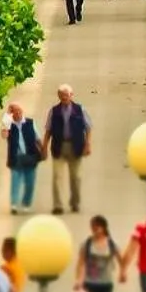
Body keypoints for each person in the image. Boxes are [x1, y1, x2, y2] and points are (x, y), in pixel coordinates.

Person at [41, 87, 91, 217]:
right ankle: (58, 205)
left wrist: (88, 144)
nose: (64, 97)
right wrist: (44, 146)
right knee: (57, 177)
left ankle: (75, 203)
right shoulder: (54, 111)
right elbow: (48, 130)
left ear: (71, 95)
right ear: (58, 96)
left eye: (66, 95)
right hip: (59, 146)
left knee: (76, 177)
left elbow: (88, 128)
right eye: (62, 95)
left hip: (76, 146)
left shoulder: (80, 109)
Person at [1, 104, 42, 215]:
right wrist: (7, 114)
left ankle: (26, 204)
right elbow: (4, 135)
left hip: (30, 156)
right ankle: (14, 204)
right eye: (15, 111)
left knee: (30, 183)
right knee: (15, 181)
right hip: (16, 157)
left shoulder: (30, 122)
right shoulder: (9, 125)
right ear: (12, 113)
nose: (18, 113)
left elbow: (38, 138)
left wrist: (43, 150)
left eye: (19, 111)